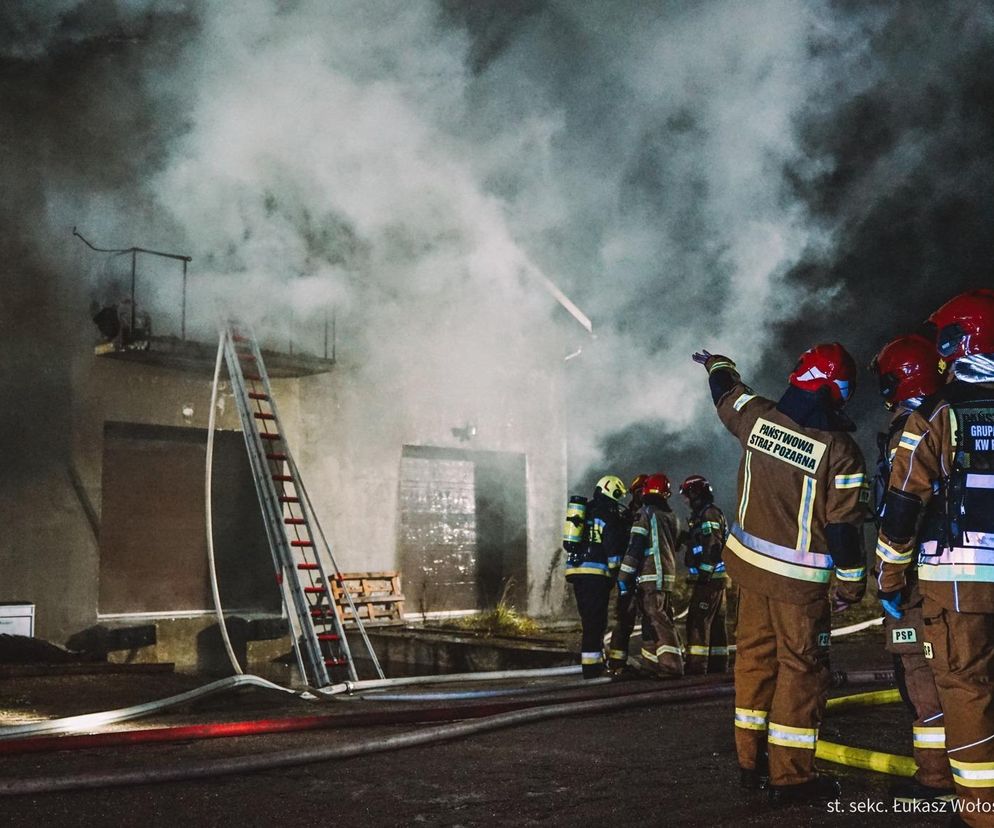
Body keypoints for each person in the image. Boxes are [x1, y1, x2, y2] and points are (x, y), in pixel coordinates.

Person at [694, 343, 867, 805]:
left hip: (749, 572)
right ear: (835, 389)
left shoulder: (757, 419)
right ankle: (792, 779)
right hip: (798, 584)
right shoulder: (840, 450)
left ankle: (751, 763)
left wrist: (717, 363)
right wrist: (852, 582)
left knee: (753, 661)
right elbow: (844, 527)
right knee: (801, 670)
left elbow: (726, 391)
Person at [875, 289, 994, 825]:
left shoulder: (936, 419)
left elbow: (901, 510)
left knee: (965, 688)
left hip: (957, 581)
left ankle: (981, 811)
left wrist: (889, 579)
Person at [869, 333, 954, 804]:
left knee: (921, 675)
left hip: (918, 581)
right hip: (961, 575)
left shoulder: (915, 430)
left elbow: (900, 513)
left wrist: (888, 579)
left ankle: (938, 781)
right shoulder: (954, 418)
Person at [616, 473, 684, 677]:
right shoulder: (671, 516)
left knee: (657, 619)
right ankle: (651, 664)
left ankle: (672, 665)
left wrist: (623, 577)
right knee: (651, 620)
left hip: (650, 575)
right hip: (666, 575)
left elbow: (635, 547)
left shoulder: (645, 514)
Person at [565, 475, 629, 678]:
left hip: (577, 573)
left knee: (588, 621)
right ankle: (593, 669)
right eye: (618, 494)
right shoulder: (607, 514)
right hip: (596, 575)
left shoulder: (586, 512)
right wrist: (617, 573)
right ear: (611, 490)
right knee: (596, 622)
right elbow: (612, 547)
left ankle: (593, 664)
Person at [607, 474, 657, 675]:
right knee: (625, 621)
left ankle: (650, 664)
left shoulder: (650, 515)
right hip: (632, 576)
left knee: (649, 621)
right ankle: (617, 664)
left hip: (645, 576)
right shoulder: (630, 517)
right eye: (640, 491)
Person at [679, 475, 730, 675]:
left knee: (698, 621)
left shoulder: (709, 514)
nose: (686, 500)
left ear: (696, 494)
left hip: (710, 579)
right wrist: (687, 539)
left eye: (687, 495)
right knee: (716, 623)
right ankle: (718, 665)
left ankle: (696, 667)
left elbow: (713, 545)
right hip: (716, 579)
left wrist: (704, 573)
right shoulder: (706, 514)